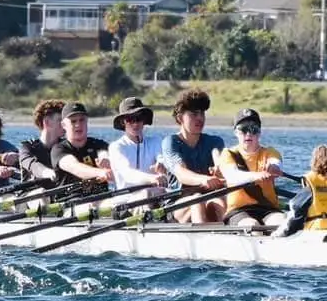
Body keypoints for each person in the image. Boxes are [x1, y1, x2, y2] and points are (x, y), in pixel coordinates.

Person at [157, 89, 228, 224]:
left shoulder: (215, 141)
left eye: (202, 113)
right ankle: (201, 242)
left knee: (220, 202)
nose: (200, 118)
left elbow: (217, 156)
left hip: (207, 197)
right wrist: (203, 179)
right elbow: (181, 173)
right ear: (180, 118)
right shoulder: (170, 142)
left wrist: (220, 169)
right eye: (194, 114)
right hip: (177, 204)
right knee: (196, 201)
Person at [214, 107, 287, 229]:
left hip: (267, 208)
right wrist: (257, 175)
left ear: (259, 133)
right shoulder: (228, 154)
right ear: (236, 132)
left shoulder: (270, 152)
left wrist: (274, 168)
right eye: (243, 129)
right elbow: (233, 176)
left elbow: (276, 162)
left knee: (281, 222)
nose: (248, 134)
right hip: (239, 210)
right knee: (253, 226)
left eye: (253, 129)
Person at [105, 96, 171, 196]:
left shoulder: (156, 141)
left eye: (139, 118)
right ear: (123, 122)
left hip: (157, 198)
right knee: (145, 193)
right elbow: (128, 173)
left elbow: (161, 158)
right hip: (126, 202)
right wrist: (152, 178)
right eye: (130, 119)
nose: (135, 123)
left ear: (144, 120)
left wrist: (162, 164)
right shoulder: (116, 147)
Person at [50, 101, 112, 195]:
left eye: (82, 120)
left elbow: (104, 154)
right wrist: (101, 172)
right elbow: (75, 168)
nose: (78, 125)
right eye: (73, 121)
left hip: (102, 199)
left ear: (87, 121)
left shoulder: (100, 145)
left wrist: (107, 161)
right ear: (63, 125)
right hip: (71, 201)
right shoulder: (59, 149)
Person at [16, 99, 66, 184]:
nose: (65, 125)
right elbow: (33, 165)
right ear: (47, 122)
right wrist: (47, 172)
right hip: (33, 193)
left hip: (59, 194)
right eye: (60, 121)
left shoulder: (66, 147)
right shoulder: (27, 148)